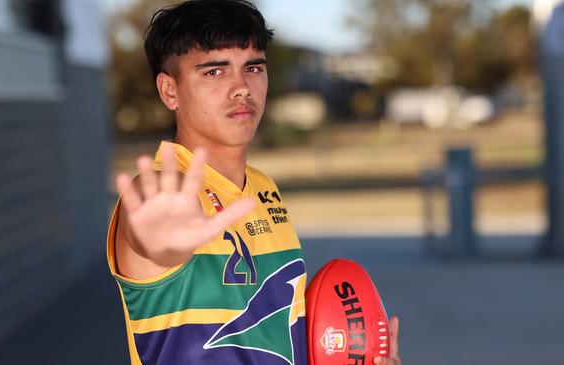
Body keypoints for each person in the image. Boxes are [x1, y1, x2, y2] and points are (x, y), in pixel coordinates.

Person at [108, 1, 402, 364]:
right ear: (170, 91)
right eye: (214, 72)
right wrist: (160, 245)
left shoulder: (265, 188)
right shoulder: (159, 191)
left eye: (253, 67)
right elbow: (152, 236)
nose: (241, 87)